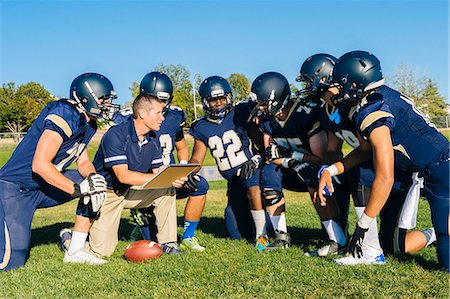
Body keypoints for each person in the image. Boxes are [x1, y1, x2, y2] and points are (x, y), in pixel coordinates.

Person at [318, 50, 449, 270]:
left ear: (355, 84)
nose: (337, 91)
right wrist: (331, 171)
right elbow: (364, 151)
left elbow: (385, 176)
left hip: (441, 169)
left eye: (340, 85)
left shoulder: (373, 111)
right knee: (396, 242)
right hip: (424, 169)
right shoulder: (375, 97)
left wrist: (364, 223)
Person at [0, 73, 119, 270]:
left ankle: (75, 249)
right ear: (85, 98)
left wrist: (92, 178)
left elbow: (83, 162)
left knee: (96, 184)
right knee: (10, 263)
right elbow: (40, 164)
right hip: (14, 189)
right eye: (103, 99)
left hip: (42, 186)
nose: (107, 104)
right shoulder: (65, 112)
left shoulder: (89, 123)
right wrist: (77, 189)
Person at [78, 93, 189, 257]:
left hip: (131, 191)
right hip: (108, 194)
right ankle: (68, 238)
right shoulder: (116, 134)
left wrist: (173, 179)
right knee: (101, 252)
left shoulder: (153, 137)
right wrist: (162, 178)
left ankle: (168, 243)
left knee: (167, 190)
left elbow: (158, 172)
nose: (162, 118)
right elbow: (122, 176)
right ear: (143, 114)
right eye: (158, 113)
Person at [250, 71, 346, 251]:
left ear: (277, 98)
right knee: (269, 173)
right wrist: (291, 162)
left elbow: (321, 159)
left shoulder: (305, 114)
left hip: (319, 170)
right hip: (291, 168)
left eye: (264, 102)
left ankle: (336, 239)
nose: (260, 107)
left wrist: (294, 157)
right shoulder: (267, 121)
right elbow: (272, 156)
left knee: (311, 175)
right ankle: (281, 236)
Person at [122, 71, 209, 252]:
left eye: (162, 100)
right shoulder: (129, 119)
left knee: (200, 185)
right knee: (151, 241)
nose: (158, 105)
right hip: (145, 180)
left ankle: (188, 236)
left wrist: (184, 168)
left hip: (169, 177)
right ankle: (141, 221)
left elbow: (182, 147)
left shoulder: (173, 117)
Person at [189, 76, 269, 250]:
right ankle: (260, 224)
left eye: (222, 98)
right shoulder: (201, 127)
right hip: (234, 182)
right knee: (236, 233)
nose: (218, 103)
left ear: (229, 98)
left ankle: (261, 236)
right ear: (205, 102)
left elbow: (260, 143)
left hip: (250, 168)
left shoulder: (240, 112)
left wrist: (256, 160)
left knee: (252, 183)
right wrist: (188, 171)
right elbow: (197, 158)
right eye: (213, 100)